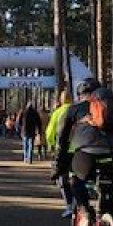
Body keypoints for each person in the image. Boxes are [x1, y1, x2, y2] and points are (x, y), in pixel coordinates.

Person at [61, 86, 113, 226]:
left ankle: (84, 213)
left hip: (87, 154)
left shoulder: (84, 114)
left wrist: (61, 164)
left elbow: (65, 140)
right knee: (111, 192)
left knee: (75, 179)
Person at [45, 90, 74, 218]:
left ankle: (69, 205)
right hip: (78, 148)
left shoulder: (57, 112)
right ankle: (78, 201)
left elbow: (49, 132)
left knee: (62, 177)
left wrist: (52, 145)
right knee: (77, 176)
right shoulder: (78, 110)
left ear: (61, 100)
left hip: (62, 149)